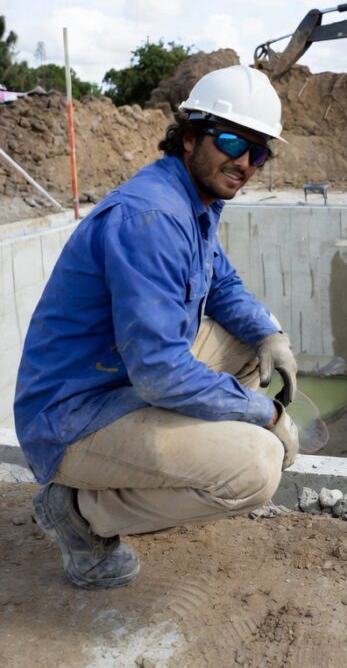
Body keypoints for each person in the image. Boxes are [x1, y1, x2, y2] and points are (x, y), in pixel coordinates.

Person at [14, 65, 299, 590]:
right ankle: (79, 512)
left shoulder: (196, 200)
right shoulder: (153, 217)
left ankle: (165, 458)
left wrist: (267, 334)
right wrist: (264, 413)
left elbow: (220, 282)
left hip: (122, 380)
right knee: (256, 469)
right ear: (189, 137)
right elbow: (160, 373)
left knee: (246, 348)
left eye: (257, 152)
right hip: (74, 414)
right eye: (232, 141)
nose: (243, 162)